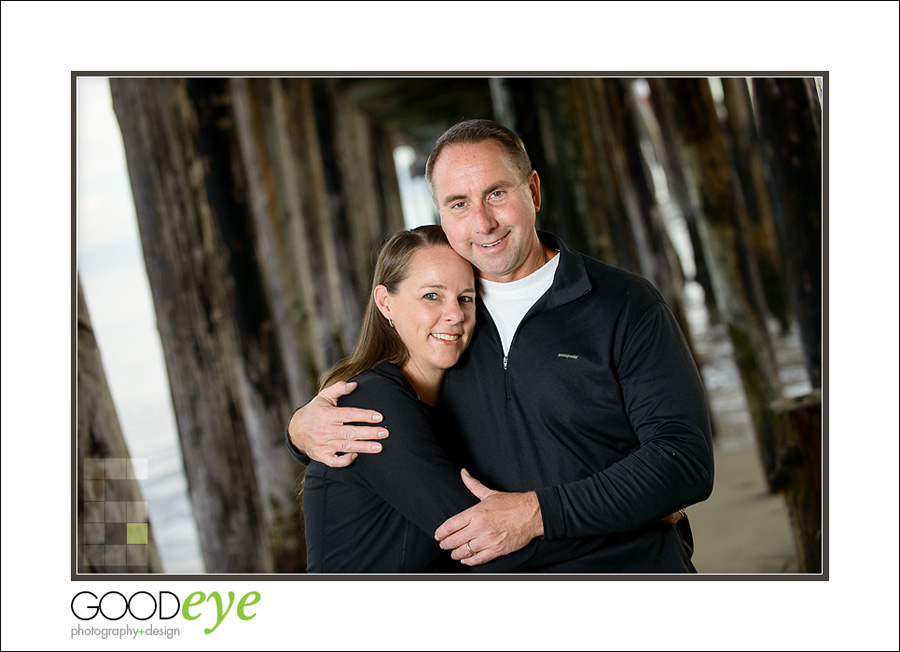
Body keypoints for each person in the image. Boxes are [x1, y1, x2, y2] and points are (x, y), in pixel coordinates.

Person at [290, 119, 714, 572]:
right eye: (459, 203)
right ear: (441, 214)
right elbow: (392, 446)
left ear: (532, 190)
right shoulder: (446, 331)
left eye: (497, 193)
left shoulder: (624, 303)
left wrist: (537, 514)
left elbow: (684, 460)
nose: (483, 222)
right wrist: (301, 431)